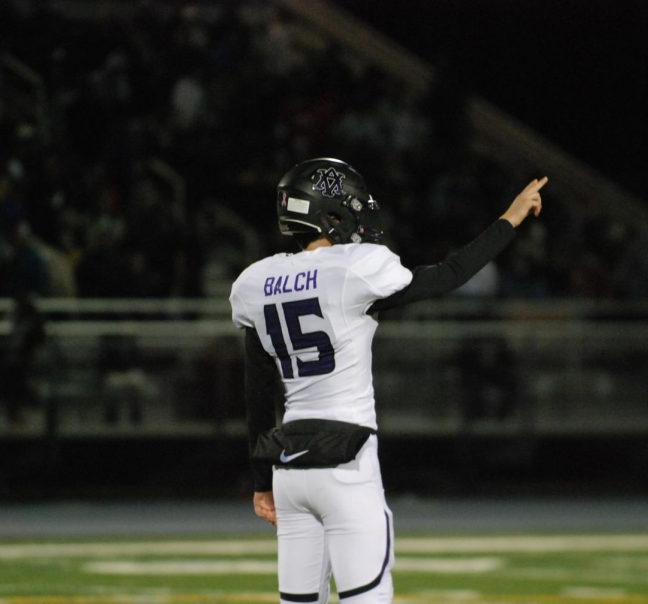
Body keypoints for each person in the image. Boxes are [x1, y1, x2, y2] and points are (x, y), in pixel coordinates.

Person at [229, 157, 546, 603]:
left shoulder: (255, 282)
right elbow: (450, 274)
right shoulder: (355, 266)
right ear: (331, 214)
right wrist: (509, 219)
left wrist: (261, 479)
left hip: (289, 469)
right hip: (346, 461)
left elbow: (258, 389)